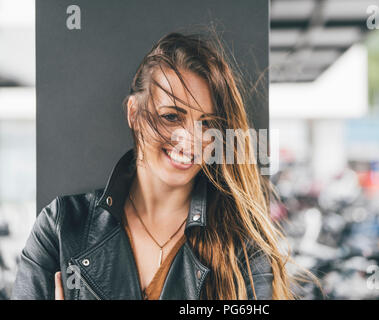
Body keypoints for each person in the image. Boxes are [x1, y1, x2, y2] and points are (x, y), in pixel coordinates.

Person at [12, 32, 299, 300]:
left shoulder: (245, 251)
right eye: (172, 116)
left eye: (208, 124)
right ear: (134, 113)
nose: (191, 140)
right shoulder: (61, 227)